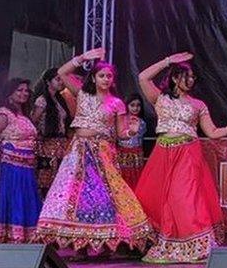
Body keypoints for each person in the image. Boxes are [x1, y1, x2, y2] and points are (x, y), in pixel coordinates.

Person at [33, 49, 154, 255]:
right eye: (102, 75)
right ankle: (80, 245)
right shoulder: (82, 93)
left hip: (103, 152)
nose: (106, 79)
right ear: (94, 77)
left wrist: (130, 132)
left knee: (104, 194)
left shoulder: (117, 103)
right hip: (79, 150)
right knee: (76, 194)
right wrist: (82, 58)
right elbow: (62, 73)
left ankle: (109, 240)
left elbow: (120, 133)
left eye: (109, 76)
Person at [136, 53, 227, 263]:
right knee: (161, 199)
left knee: (184, 197)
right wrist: (167, 61)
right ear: (175, 78)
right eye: (188, 76)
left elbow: (211, 132)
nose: (192, 81)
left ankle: (196, 245)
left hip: (187, 153)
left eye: (193, 77)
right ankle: (170, 243)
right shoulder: (160, 98)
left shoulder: (198, 105)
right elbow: (143, 77)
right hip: (164, 153)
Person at [0, 78, 42, 243]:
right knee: (14, 199)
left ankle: (25, 237)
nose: (24, 93)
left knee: (25, 199)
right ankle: (9, 236)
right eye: (19, 90)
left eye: (26, 90)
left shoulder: (24, 114)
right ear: (10, 93)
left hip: (27, 167)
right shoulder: (4, 113)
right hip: (11, 167)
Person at [31, 68, 71, 196]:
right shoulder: (42, 100)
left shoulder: (60, 99)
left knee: (59, 179)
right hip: (47, 145)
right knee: (46, 178)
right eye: (57, 79)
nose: (61, 82)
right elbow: (33, 122)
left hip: (60, 145)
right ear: (48, 82)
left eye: (62, 79)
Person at [117, 94, 148, 188]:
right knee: (124, 177)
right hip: (123, 153)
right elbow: (119, 136)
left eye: (138, 105)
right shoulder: (121, 120)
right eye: (132, 105)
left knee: (137, 177)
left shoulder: (142, 122)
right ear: (127, 105)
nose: (135, 108)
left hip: (137, 154)